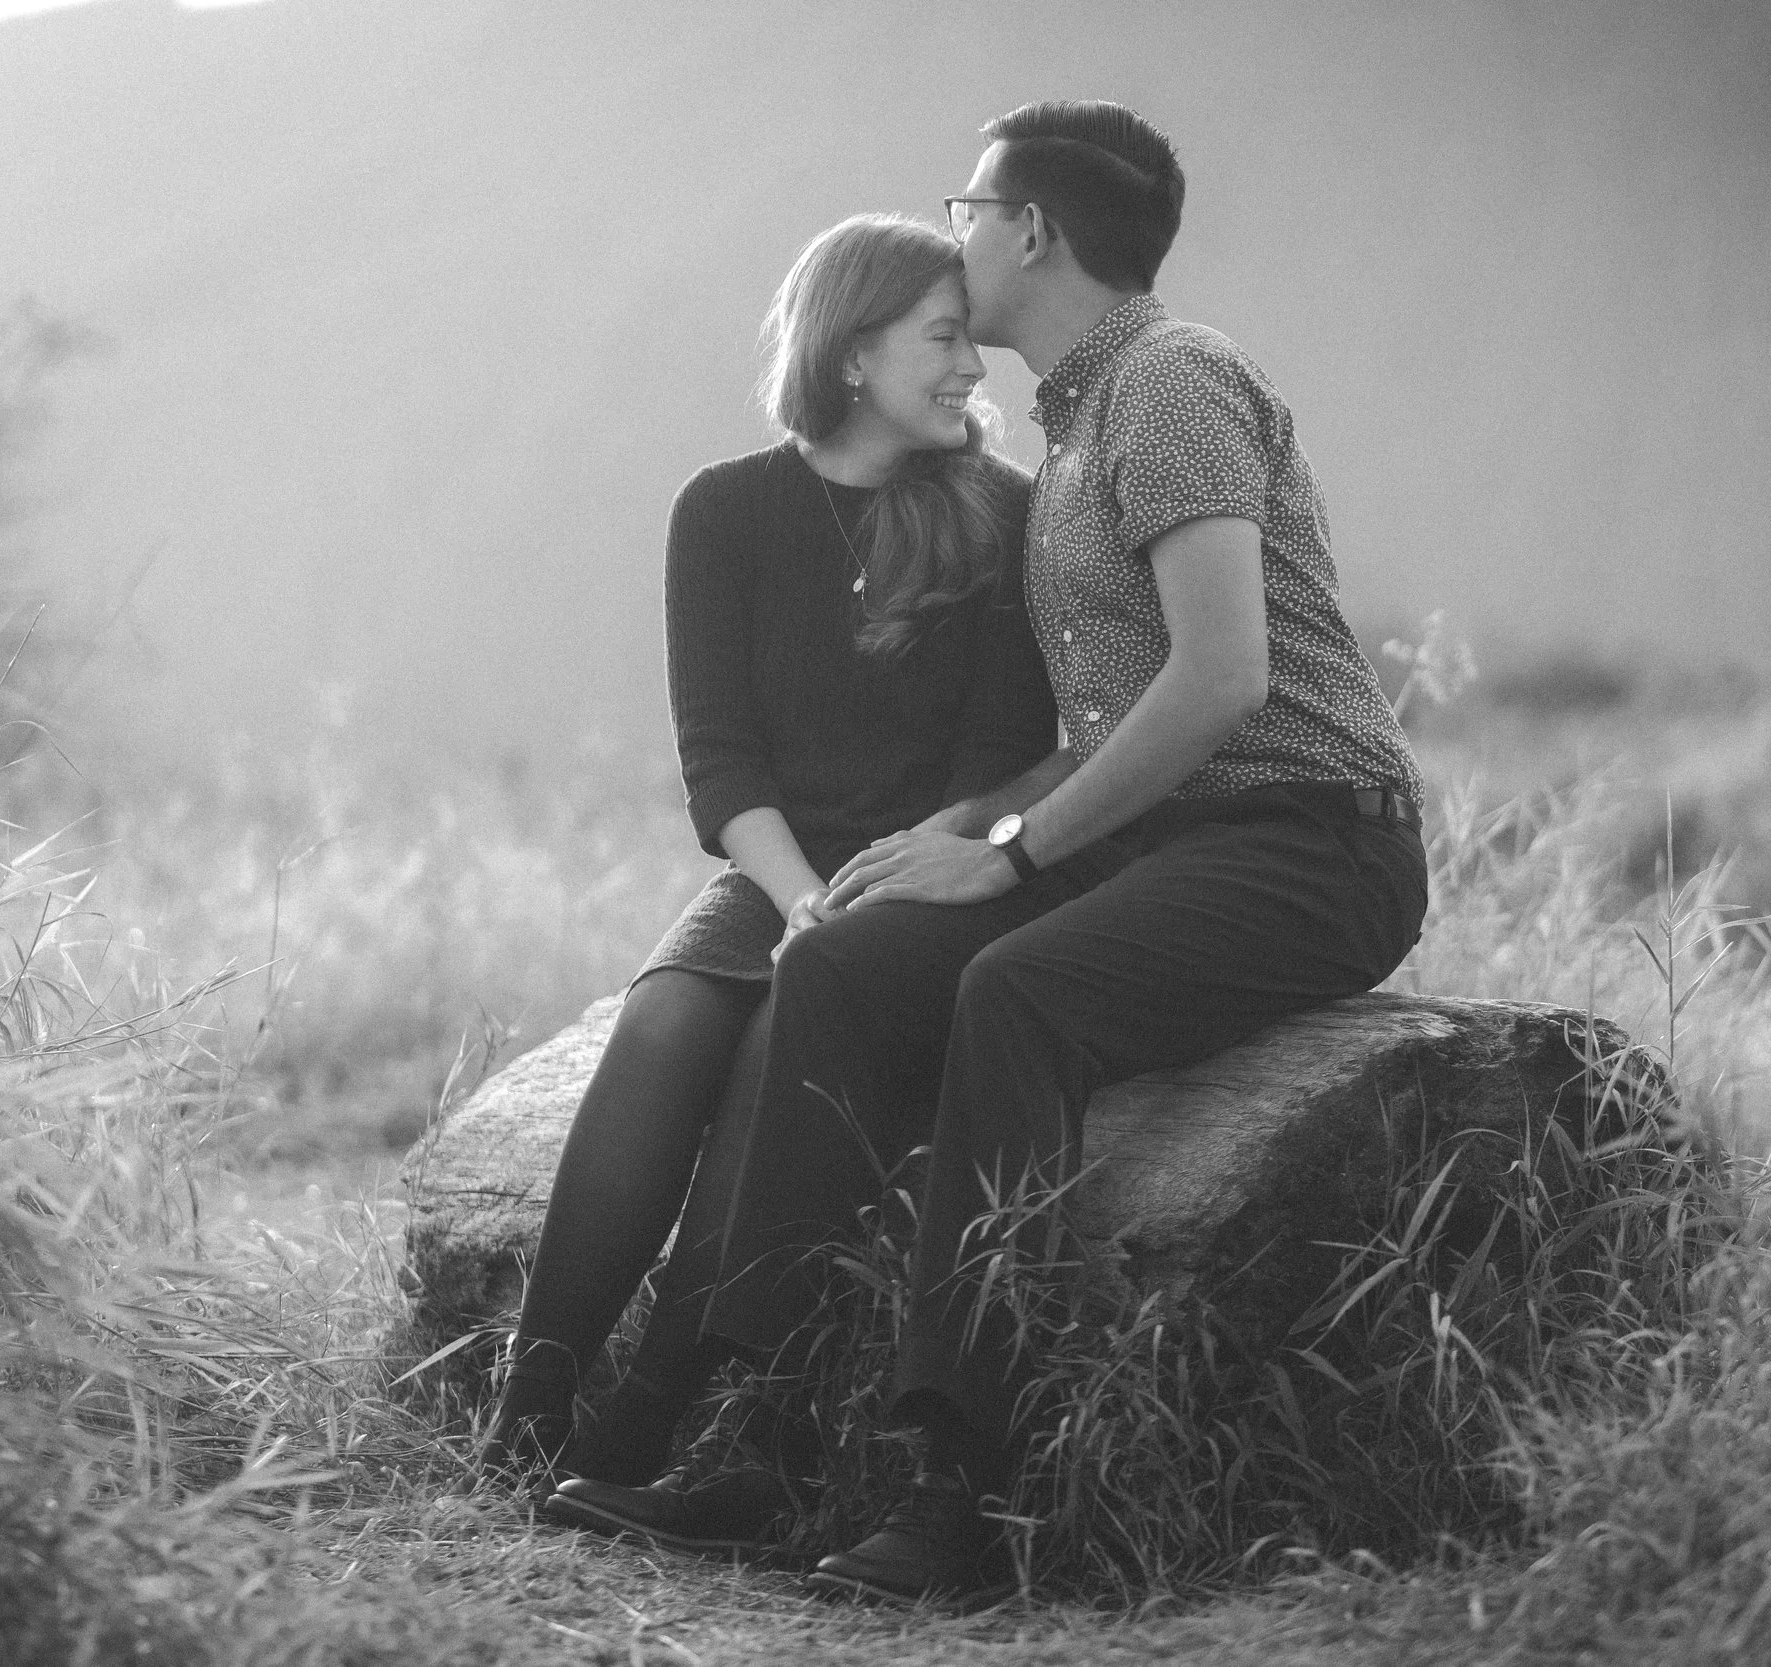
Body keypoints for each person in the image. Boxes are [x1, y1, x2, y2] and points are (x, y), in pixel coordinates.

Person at [549, 101, 1431, 1605]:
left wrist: (1008, 857)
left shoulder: (1169, 382)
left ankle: (958, 1495)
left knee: (1014, 991)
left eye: (967, 208)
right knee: (837, 960)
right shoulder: (1073, 424)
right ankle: (754, 1431)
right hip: (1164, 839)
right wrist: (963, 850)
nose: (953, 232)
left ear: (1029, 231)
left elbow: (1221, 680)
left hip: (1307, 839)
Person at [474, 213, 1056, 1494]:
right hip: (775, 868)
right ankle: (529, 1402)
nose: (975, 367)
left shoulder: (1003, 516)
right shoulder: (726, 509)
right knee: (668, 1019)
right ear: (852, 355)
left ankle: (643, 1418)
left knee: (775, 1058)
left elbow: (1001, 755)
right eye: (947, 337)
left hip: (923, 871)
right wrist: (798, 897)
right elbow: (721, 761)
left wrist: (882, 885)